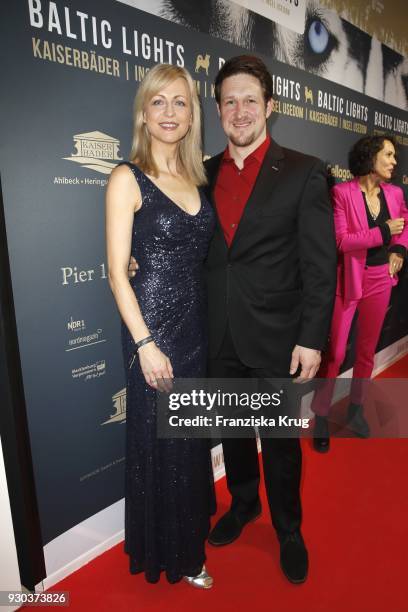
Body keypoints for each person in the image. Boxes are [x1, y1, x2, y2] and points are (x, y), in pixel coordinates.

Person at [203, 55, 337, 584]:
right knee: (234, 434)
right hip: (220, 335)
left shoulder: (305, 172)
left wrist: (311, 339)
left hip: (280, 338)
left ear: (270, 108)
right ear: (218, 110)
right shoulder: (203, 173)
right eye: (230, 101)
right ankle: (242, 505)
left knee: (279, 445)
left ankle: (287, 528)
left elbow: (320, 267)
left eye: (250, 101)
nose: (240, 111)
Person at [106, 63, 216, 587]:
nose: (170, 112)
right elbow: (115, 271)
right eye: (159, 102)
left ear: (193, 115)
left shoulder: (199, 177)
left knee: (189, 443)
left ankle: (189, 542)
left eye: (180, 102)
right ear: (144, 114)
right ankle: (171, 555)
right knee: (162, 447)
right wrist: (145, 344)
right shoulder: (127, 178)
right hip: (153, 332)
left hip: (195, 330)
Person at [312, 135, 408, 452]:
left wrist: (399, 251)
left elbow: (404, 225)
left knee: (366, 351)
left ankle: (356, 409)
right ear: (371, 157)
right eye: (389, 155)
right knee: (336, 353)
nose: (395, 161)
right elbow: (342, 241)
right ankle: (321, 414)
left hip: (381, 279)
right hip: (349, 281)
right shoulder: (342, 193)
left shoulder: (394, 193)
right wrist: (383, 232)